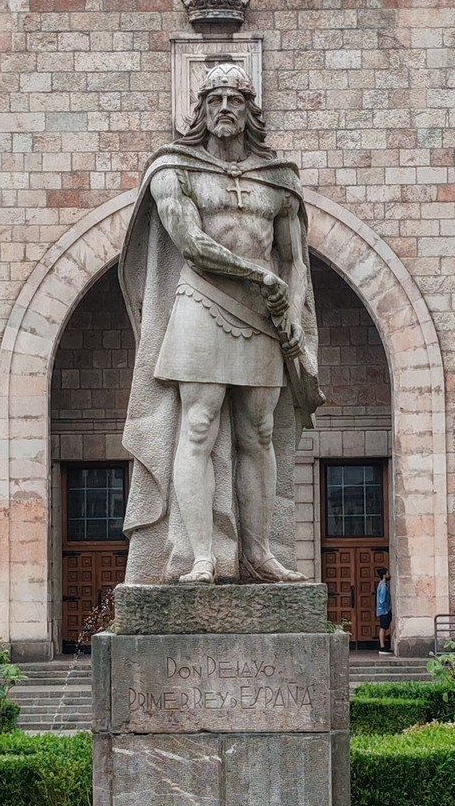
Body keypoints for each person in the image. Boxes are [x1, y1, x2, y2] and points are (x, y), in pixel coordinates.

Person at [118, 62, 323, 585]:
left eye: (234, 99)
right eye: (214, 101)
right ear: (201, 111)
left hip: (263, 317)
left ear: (250, 110)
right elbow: (189, 242)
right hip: (201, 304)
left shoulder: (279, 178)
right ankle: (201, 557)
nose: (224, 109)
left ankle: (259, 554)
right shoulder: (174, 169)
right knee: (199, 427)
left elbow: (295, 259)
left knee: (259, 433)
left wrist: (295, 310)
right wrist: (259, 276)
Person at [375, 567, 392, 654]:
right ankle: (382, 646)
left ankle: (385, 642)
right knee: (384, 627)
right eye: (388, 573)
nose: (390, 575)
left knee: (385, 627)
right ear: (385, 575)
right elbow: (382, 599)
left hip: (384, 609)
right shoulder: (383, 585)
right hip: (384, 610)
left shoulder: (383, 584)